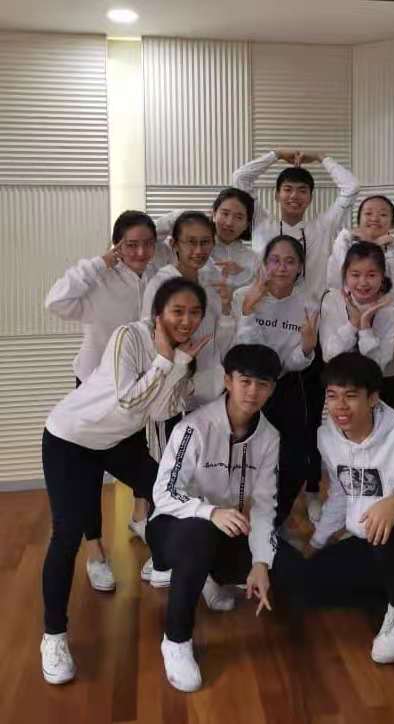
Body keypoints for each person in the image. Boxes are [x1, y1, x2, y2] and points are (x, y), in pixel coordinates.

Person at [40, 278, 210, 685]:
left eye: (194, 313)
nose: (186, 321)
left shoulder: (183, 352)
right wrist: (166, 362)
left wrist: (179, 365)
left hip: (115, 441)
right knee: (66, 534)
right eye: (177, 311)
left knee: (167, 493)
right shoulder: (128, 337)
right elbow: (129, 400)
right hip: (70, 439)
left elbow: (161, 411)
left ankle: (167, 563)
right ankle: (53, 636)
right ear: (158, 313)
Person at [274, 352, 394, 665]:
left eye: (351, 396)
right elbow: (341, 493)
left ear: (373, 398)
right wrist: (318, 542)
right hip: (374, 543)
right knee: (306, 585)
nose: (340, 406)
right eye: (332, 396)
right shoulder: (327, 437)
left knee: (385, 520)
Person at [146, 344, 281, 692]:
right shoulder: (194, 427)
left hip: (226, 529)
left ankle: (209, 575)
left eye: (263, 384)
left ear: (272, 389)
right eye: (245, 381)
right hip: (173, 529)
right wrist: (211, 512)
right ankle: (176, 640)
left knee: (283, 569)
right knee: (199, 535)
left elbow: (264, 505)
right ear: (227, 381)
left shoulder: (269, 437)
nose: (252, 392)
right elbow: (163, 492)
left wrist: (261, 562)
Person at [45, 210, 164, 590]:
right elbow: (56, 301)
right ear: (116, 246)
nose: (141, 252)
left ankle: (140, 517)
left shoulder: (158, 274)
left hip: (138, 387)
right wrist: (100, 263)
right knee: (90, 475)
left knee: (140, 457)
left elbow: (181, 226)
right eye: (131, 245)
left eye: (148, 243)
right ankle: (96, 552)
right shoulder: (100, 279)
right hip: (94, 388)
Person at [233, 236, 318, 526]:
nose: (282, 268)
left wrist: (306, 348)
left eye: (290, 261)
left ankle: (276, 520)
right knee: (245, 455)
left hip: (287, 383)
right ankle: (240, 518)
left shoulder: (308, 304)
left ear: (300, 267)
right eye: (275, 260)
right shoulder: (244, 295)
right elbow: (244, 350)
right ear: (264, 263)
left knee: (294, 459)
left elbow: (298, 358)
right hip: (249, 385)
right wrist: (248, 311)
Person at [232, 149, 359, 303]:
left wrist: (320, 157)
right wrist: (277, 154)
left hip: (311, 314)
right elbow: (240, 178)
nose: (294, 196)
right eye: (288, 189)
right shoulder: (261, 223)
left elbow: (351, 187)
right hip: (263, 311)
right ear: (276, 195)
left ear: (310, 198)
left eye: (302, 191)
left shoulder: (323, 228)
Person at [142, 211, 236, 417]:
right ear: (174, 244)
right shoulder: (160, 284)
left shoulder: (213, 283)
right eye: (191, 242)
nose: (198, 250)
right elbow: (148, 338)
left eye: (205, 242)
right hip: (171, 393)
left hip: (210, 391)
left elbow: (220, 343)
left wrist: (227, 308)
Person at [320, 241, 394, 414]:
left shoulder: (393, 310)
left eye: (371, 275)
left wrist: (365, 326)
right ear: (345, 275)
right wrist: (353, 323)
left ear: (382, 277)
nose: (363, 282)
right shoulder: (332, 300)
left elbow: (377, 366)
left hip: (380, 391)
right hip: (341, 387)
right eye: (355, 274)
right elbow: (329, 355)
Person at [155, 187, 260, 290]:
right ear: (214, 214)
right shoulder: (184, 246)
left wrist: (243, 274)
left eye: (239, 217)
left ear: (247, 224)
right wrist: (184, 218)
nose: (229, 222)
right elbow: (150, 238)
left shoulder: (252, 259)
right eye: (225, 213)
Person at [327, 195, 394, 299]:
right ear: (358, 221)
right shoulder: (345, 243)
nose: (374, 219)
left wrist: (392, 248)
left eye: (383, 214)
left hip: (386, 306)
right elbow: (335, 281)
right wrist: (346, 238)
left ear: (392, 224)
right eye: (368, 213)